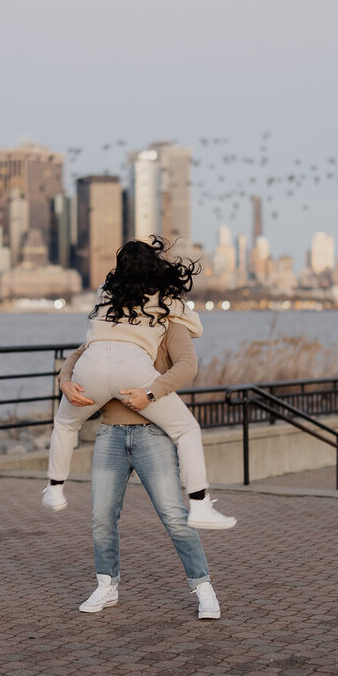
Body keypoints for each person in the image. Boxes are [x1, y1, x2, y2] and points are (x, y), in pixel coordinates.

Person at [42, 236, 235, 529]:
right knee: (186, 430)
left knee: (66, 424)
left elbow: (87, 343)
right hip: (131, 368)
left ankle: (55, 489)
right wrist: (167, 310)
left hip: (90, 366)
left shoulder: (103, 294)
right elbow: (196, 327)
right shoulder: (164, 297)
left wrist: (66, 380)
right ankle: (199, 504)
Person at [61, 322, 222, 619]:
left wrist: (150, 393)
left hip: (152, 435)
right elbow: (80, 352)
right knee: (101, 516)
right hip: (110, 433)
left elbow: (187, 366)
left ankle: (204, 589)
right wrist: (65, 380)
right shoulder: (114, 319)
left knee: (173, 516)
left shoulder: (169, 322)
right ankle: (106, 585)